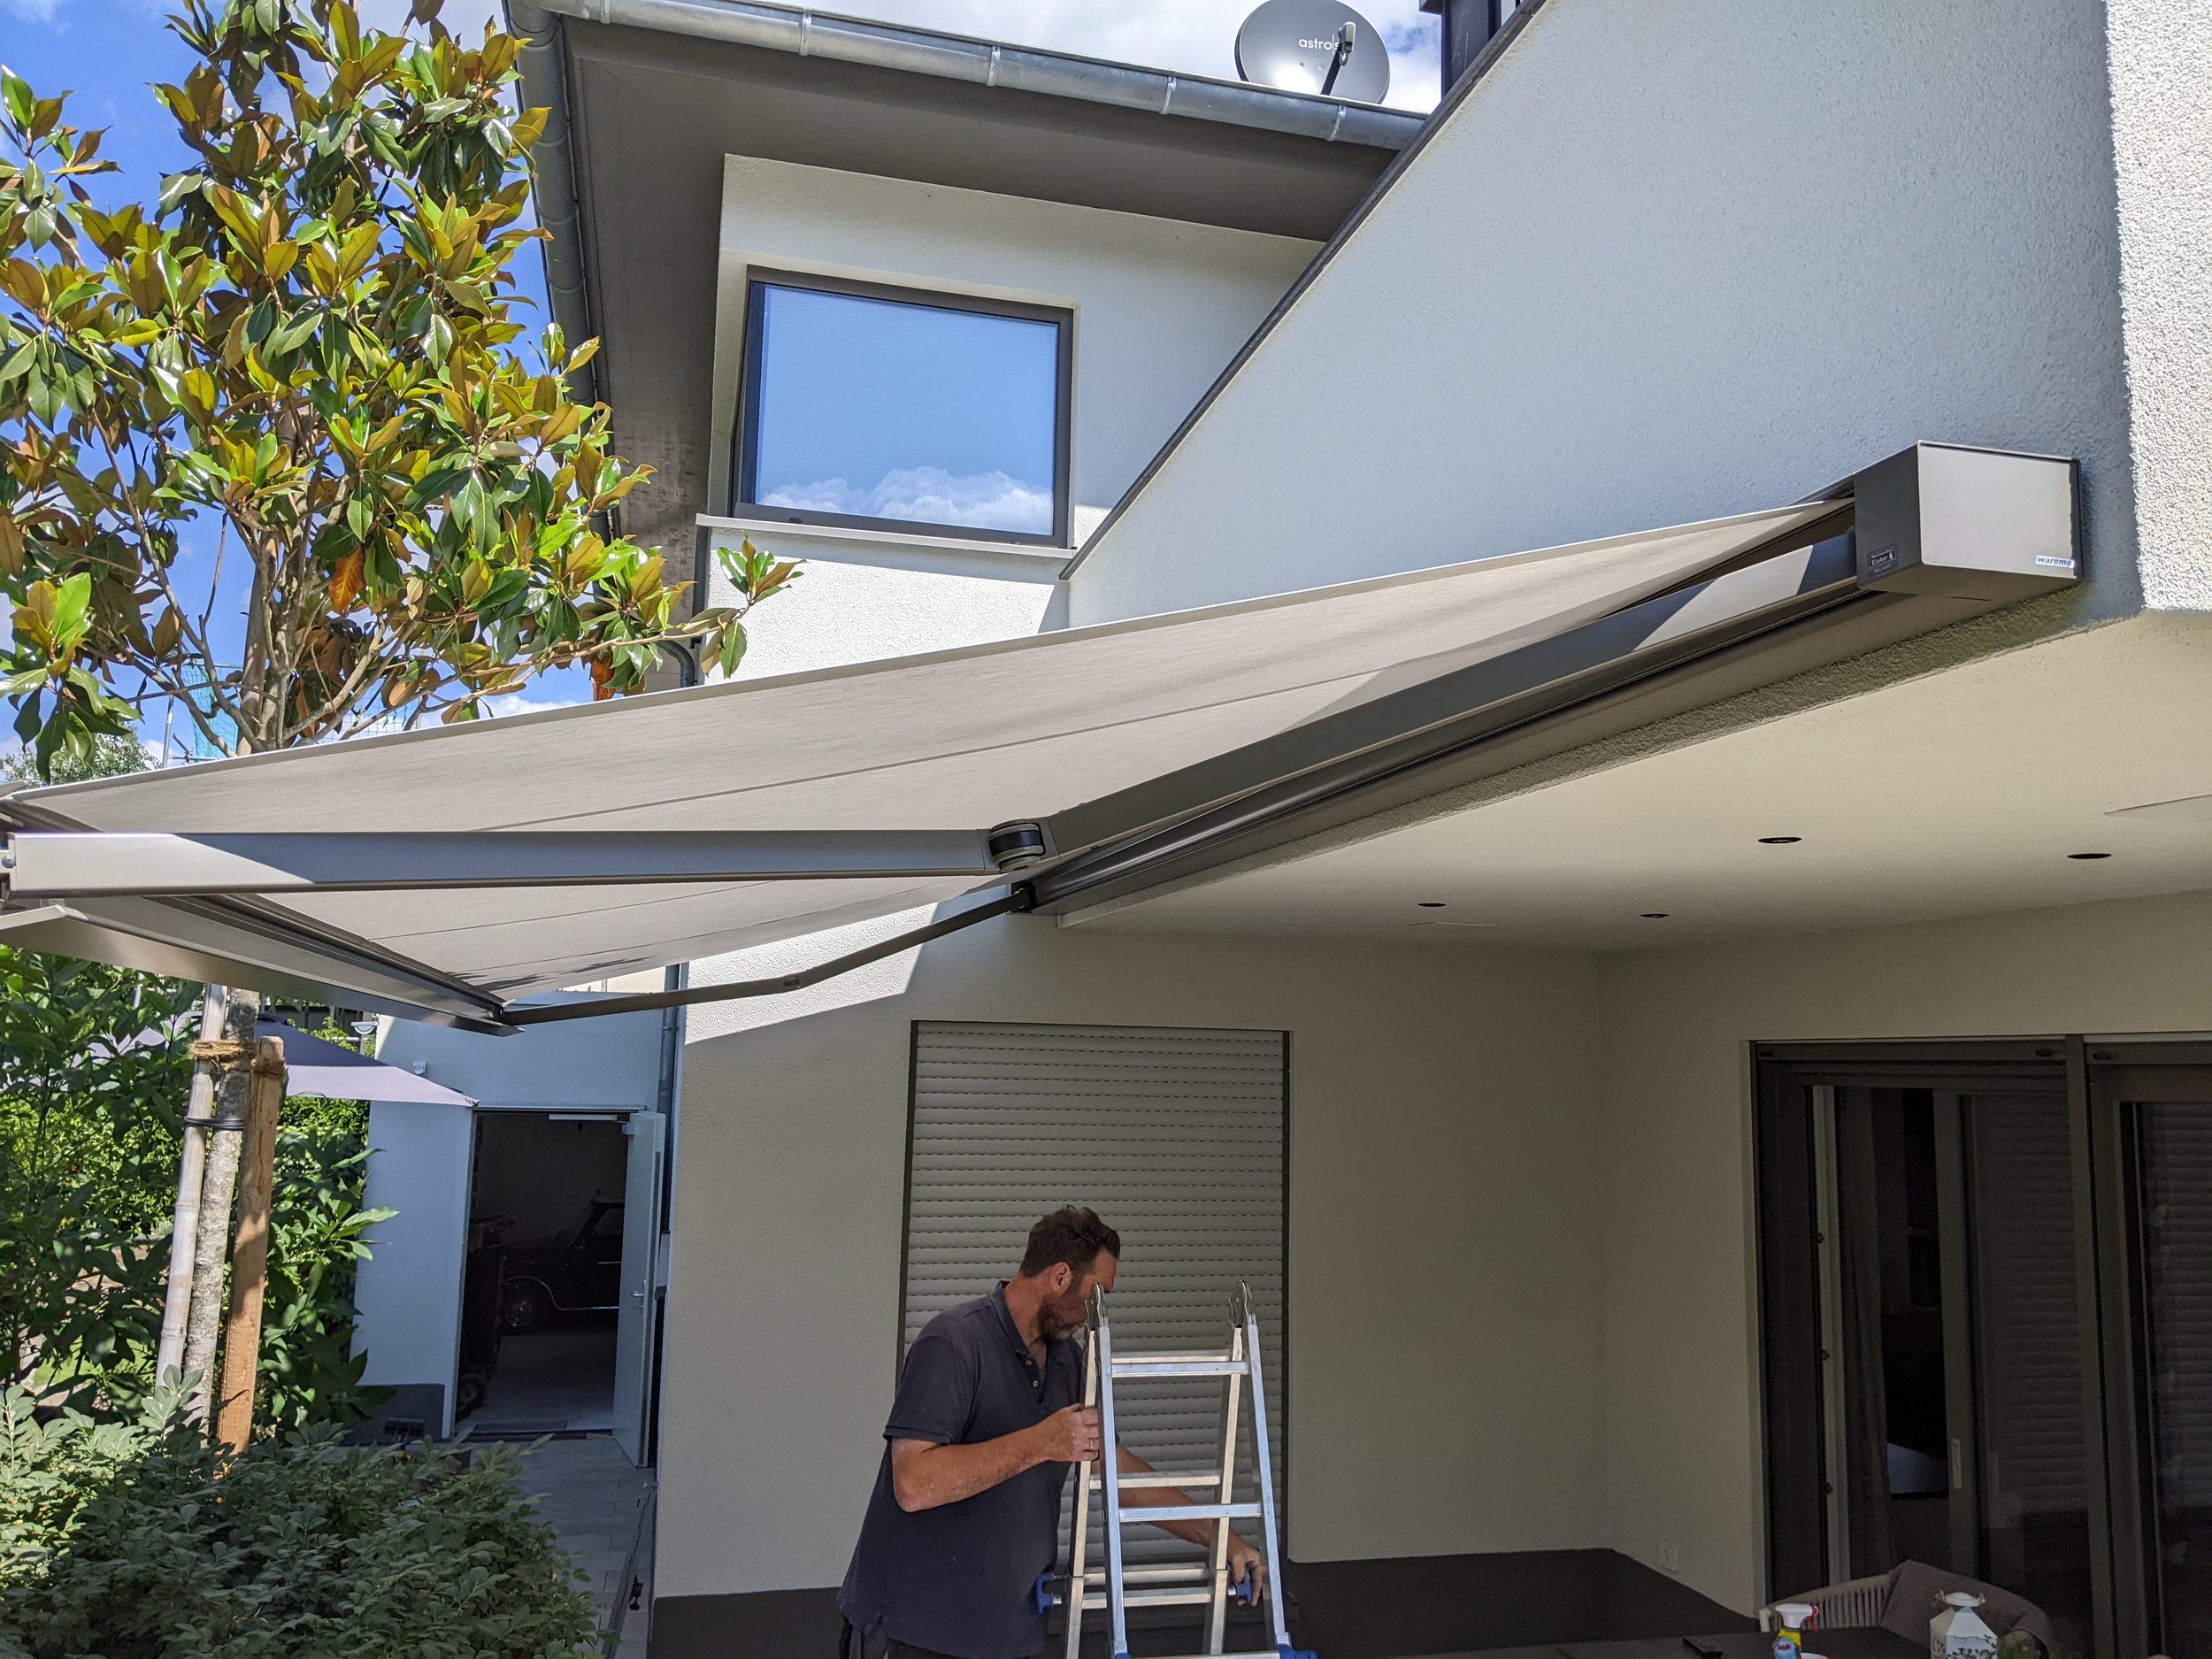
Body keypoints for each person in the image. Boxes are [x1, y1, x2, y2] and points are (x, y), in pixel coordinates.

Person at [837, 1206, 1267, 1659]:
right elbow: (913, 1483)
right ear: (1060, 1277)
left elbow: (1119, 1474)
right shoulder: (953, 1343)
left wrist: (1221, 1537)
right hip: (915, 1635)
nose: (1096, 1314)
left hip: (1007, 1636)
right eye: (1096, 1295)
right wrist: (1042, 1442)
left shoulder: (1069, 1362)